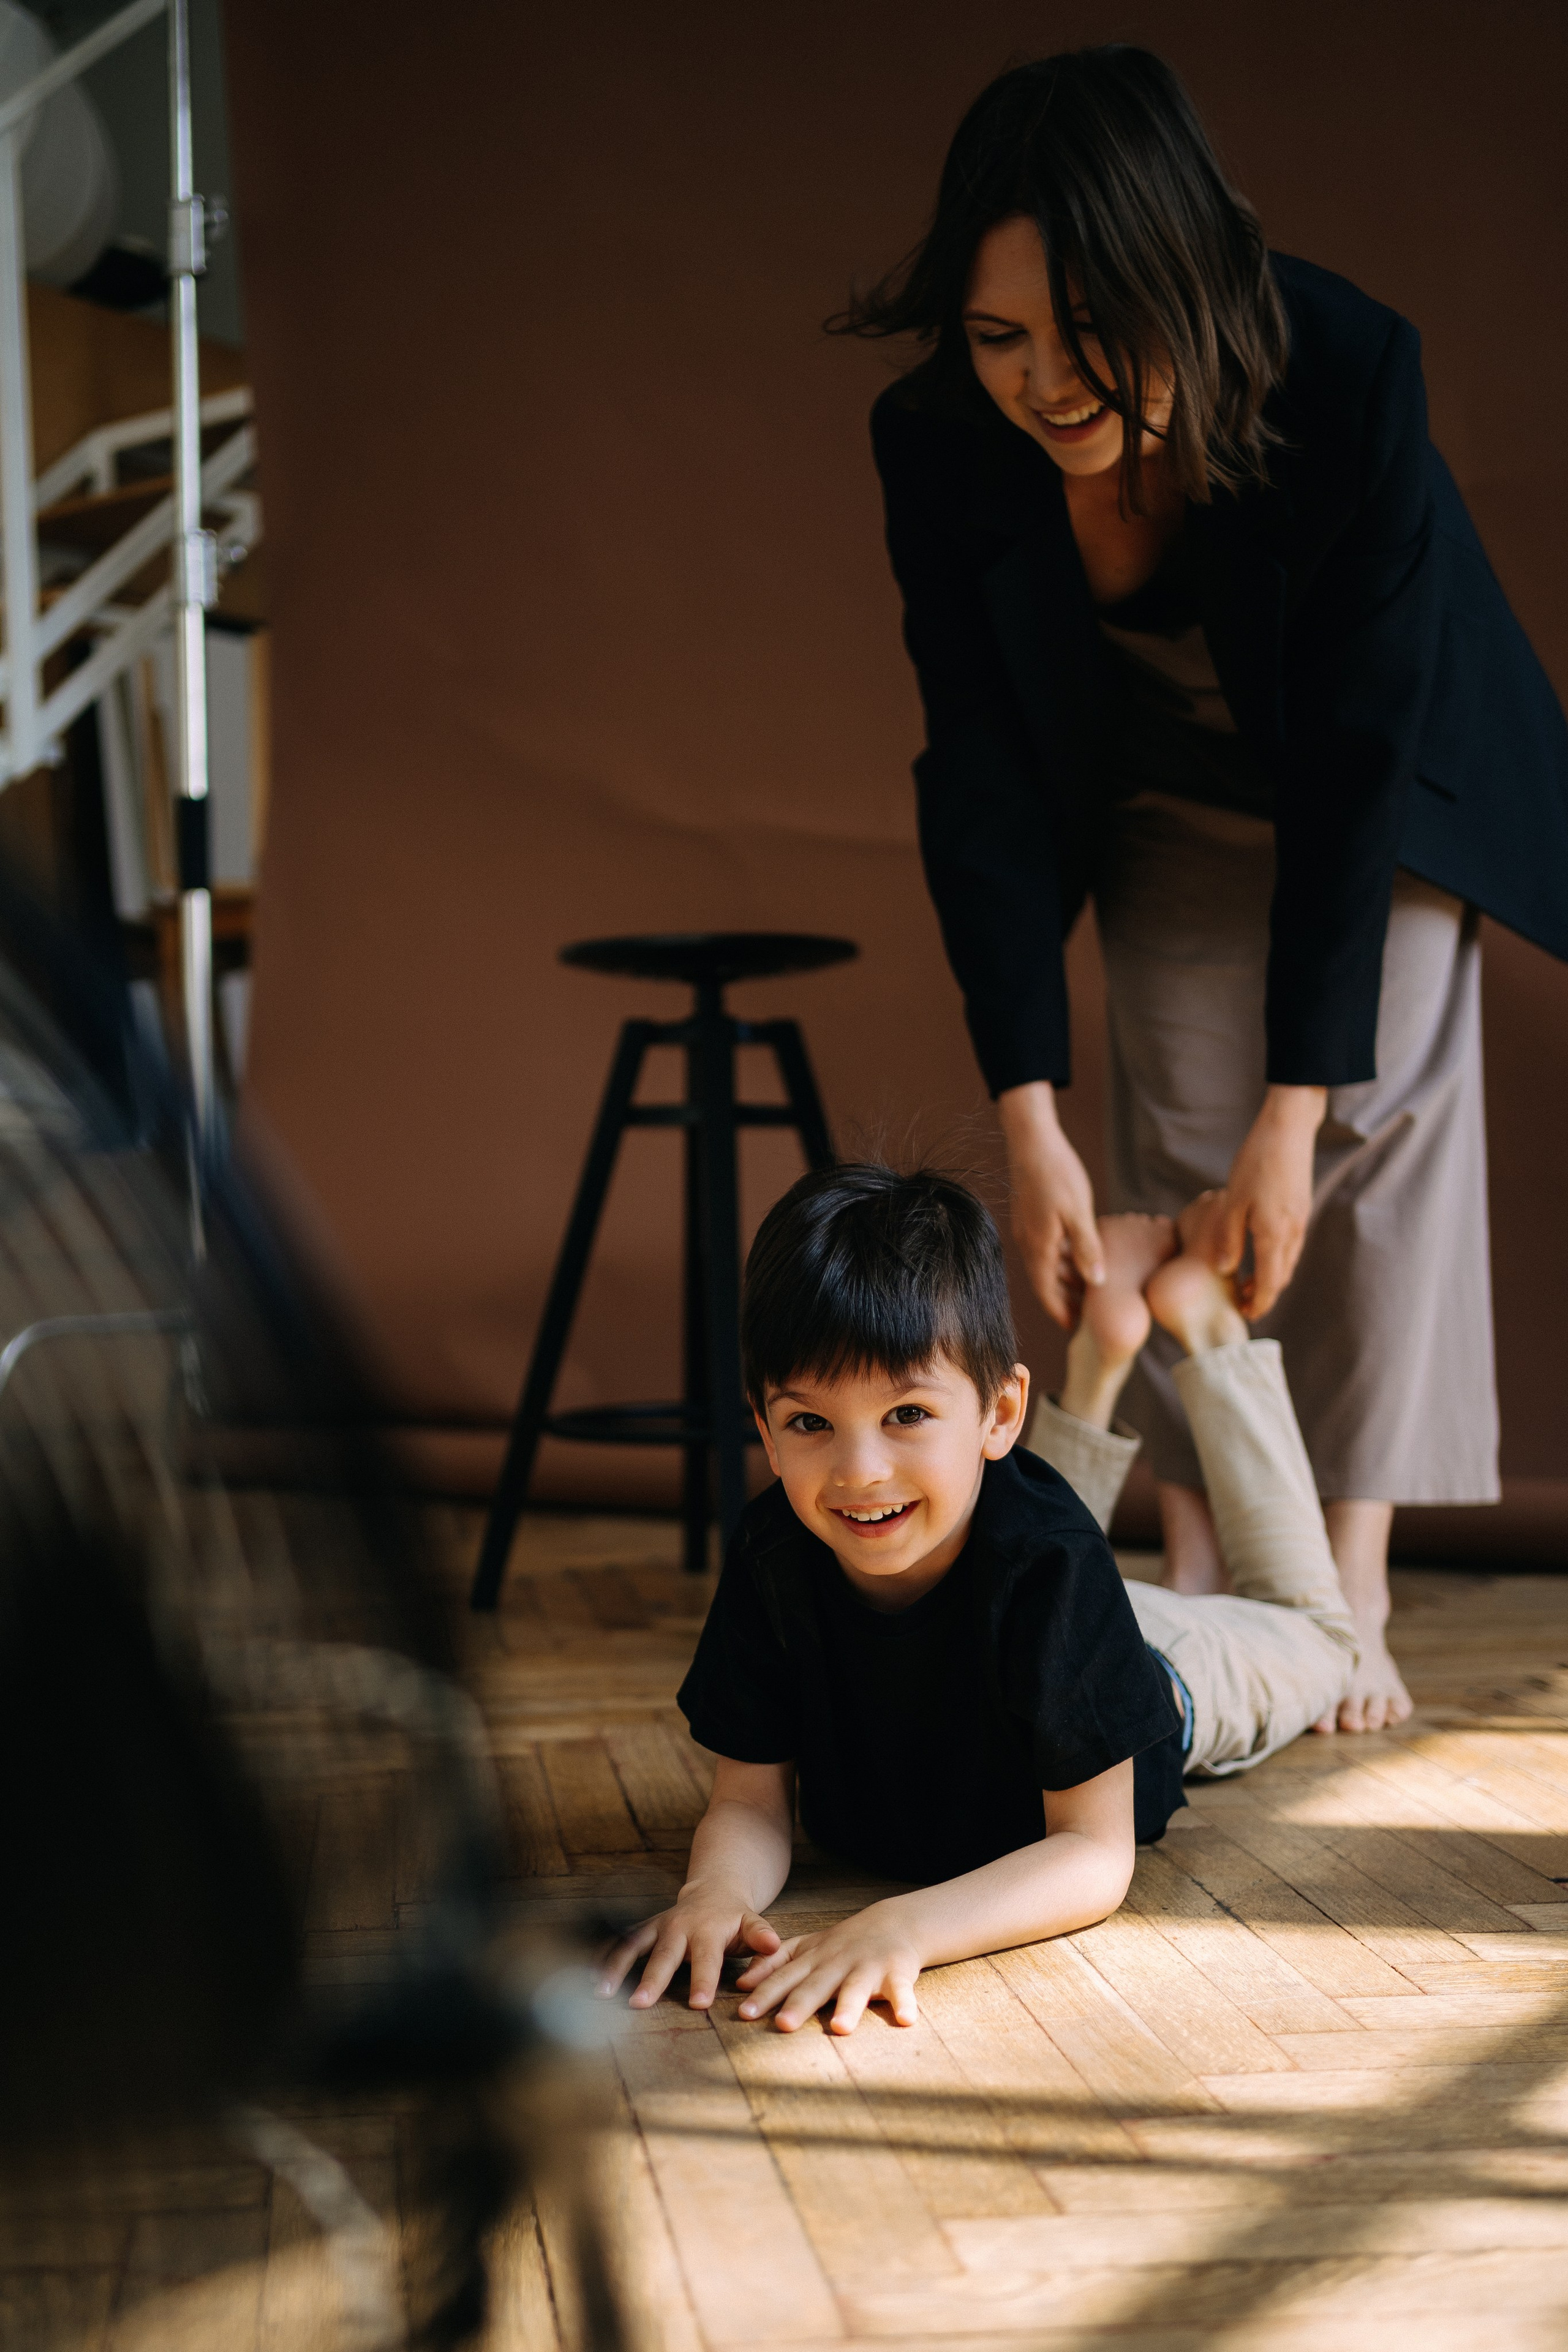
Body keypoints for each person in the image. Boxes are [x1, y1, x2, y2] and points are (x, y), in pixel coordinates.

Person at [831, 46, 1568, 1733]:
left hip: (1366, 775)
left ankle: (1348, 1581)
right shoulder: (937, 437)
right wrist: (1025, 1113)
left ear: (1182, 277)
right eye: (997, 334)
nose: (1039, 383)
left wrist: (1295, 1115)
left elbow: (1357, 764)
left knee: (1357, 1128)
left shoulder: (1351, 373)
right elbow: (986, 778)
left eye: (1083, 331)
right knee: (1167, 1118)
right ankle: (1196, 1558)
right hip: (1151, 774)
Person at [597, 1165, 1354, 2037]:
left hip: (1166, 1669)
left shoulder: (1051, 1566)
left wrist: (907, 1925)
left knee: (1325, 1641)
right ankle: (1104, 1354)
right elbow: (747, 1804)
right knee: (1010, 1530)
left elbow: (1093, 1855)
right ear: (765, 1431)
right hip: (1034, 1616)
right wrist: (715, 1892)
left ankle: (1209, 1328)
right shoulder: (776, 1551)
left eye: (908, 1414)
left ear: (1002, 1413)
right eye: (811, 1424)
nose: (859, 1471)